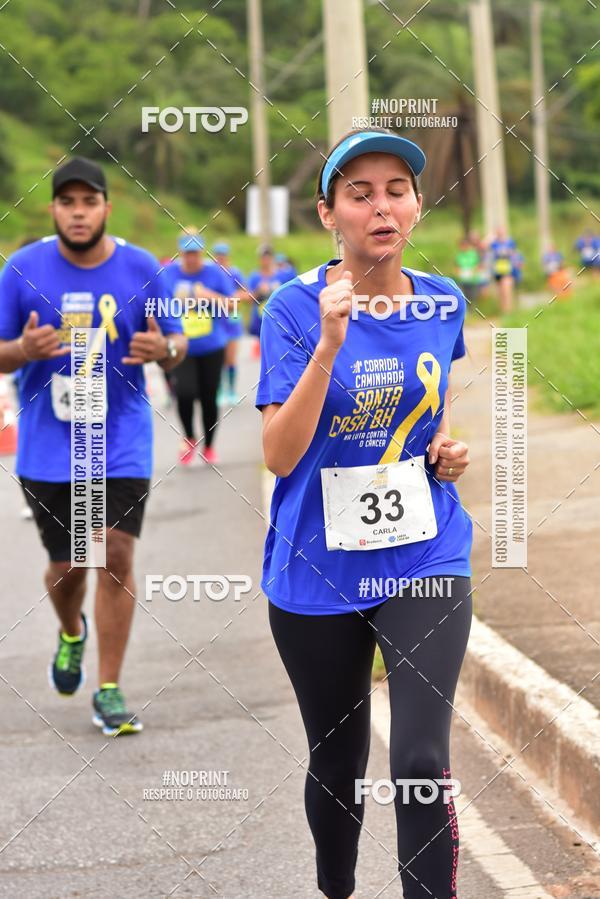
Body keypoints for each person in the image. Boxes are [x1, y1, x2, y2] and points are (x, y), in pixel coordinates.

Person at [256, 128, 472, 899]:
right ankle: (336, 887)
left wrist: (445, 448)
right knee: (339, 759)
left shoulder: (445, 300)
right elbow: (279, 455)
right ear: (328, 214)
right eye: (360, 193)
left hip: (425, 548)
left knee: (419, 757)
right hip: (317, 561)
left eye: (397, 190)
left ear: (415, 206)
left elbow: (427, 412)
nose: (382, 206)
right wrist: (328, 343)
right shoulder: (292, 307)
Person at [0, 157, 187, 735]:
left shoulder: (141, 267)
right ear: (53, 209)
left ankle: (108, 689)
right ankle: (71, 631)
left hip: (120, 435)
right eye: (67, 203)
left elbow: (175, 342)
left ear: (106, 207)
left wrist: (165, 352)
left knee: (112, 552)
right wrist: (23, 352)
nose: (78, 213)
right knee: (67, 568)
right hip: (51, 444)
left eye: (89, 202)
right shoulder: (21, 270)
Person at [162, 229, 233, 465]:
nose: (191, 258)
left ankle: (210, 446)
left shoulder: (214, 273)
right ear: (180, 252)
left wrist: (209, 296)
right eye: (187, 253)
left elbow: (231, 307)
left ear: (201, 252)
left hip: (212, 346)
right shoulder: (169, 274)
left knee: (208, 397)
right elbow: (158, 305)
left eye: (195, 253)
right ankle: (190, 437)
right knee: (184, 393)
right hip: (182, 347)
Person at [212, 241, 247, 405]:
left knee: (231, 358)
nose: (220, 258)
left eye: (223, 255)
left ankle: (231, 391)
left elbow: (245, 294)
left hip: (232, 321)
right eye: (217, 255)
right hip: (216, 321)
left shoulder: (235, 273)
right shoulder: (210, 274)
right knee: (217, 359)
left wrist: (232, 298)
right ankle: (218, 391)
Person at [247, 245, 285, 357]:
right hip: (259, 320)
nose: (266, 260)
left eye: (268, 257)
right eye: (263, 258)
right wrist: (259, 290)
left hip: (277, 320)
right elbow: (249, 299)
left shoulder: (281, 276)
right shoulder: (254, 277)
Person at [489, 227, 517, 313]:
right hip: (498, 271)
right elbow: (483, 246)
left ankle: (508, 310)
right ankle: (503, 311)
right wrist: (490, 236)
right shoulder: (494, 244)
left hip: (508, 270)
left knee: (507, 290)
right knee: (500, 292)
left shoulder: (510, 242)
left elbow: (513, 254)